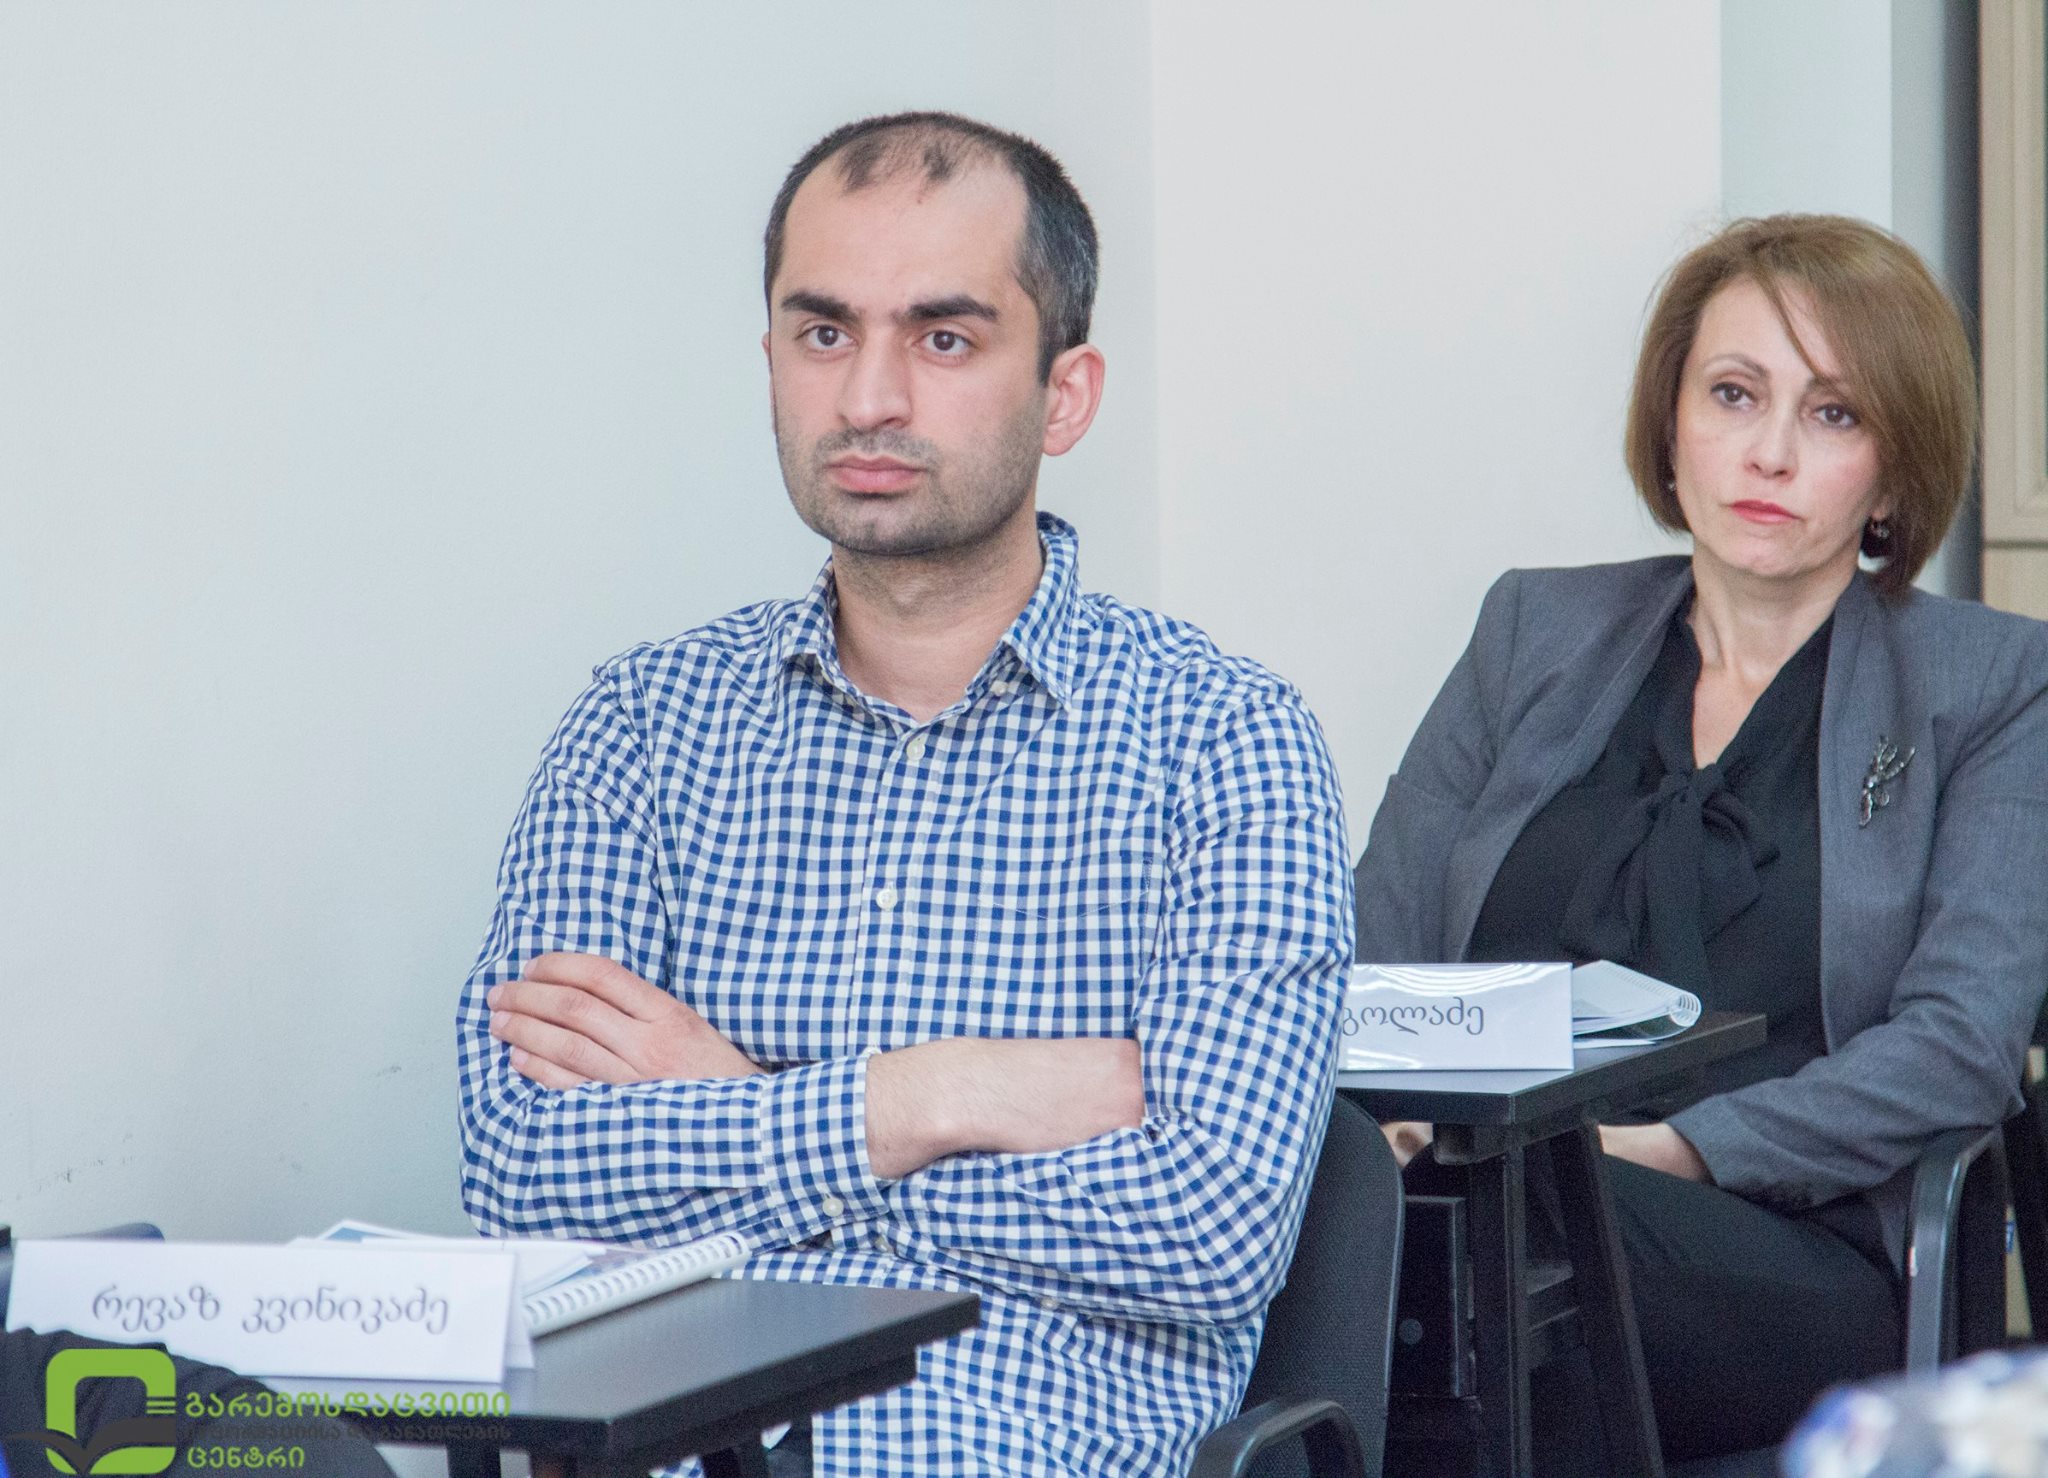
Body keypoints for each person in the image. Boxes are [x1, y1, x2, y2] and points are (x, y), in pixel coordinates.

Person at [456, 112, 1352, 1477]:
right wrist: (928, 1095)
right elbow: (522, 1170)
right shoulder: (637, 727)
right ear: (770, 360)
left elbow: (1207, 1226)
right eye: (823, 332)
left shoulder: (1223, 742)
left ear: (1065, 393)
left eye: (942, 338)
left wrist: (742, 1110)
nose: (868, 397)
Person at [1354, 214, 2048, 1468]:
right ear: (1670, 424)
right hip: (1474, 1198)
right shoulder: (1531, 631)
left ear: (1892, 470)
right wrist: (1388, 1129)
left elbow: (1958, 1046)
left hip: (1792, 1247)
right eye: (1733, 394)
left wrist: (1661, 1148)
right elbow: (1370, 950)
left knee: (1504, 1238)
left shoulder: (1988, 683)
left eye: (1831, 414)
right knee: (1339, 1217)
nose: (1768, 451)